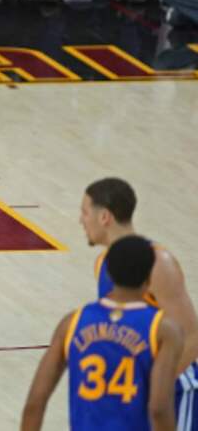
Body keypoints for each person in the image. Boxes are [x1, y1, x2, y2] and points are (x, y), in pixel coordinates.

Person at [21, 234, 182, 431]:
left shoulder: (72, 322)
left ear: (109, 274)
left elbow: (35, 402)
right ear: (149, 276)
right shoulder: (162, 329)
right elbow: (158, 408)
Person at [81, 177, 198, 429]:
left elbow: (191, 337)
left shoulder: (158, 262)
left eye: (85, 212)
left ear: (105, 217)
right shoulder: (104, 263)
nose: (81, 220)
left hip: (175, 390)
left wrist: (155, 390)